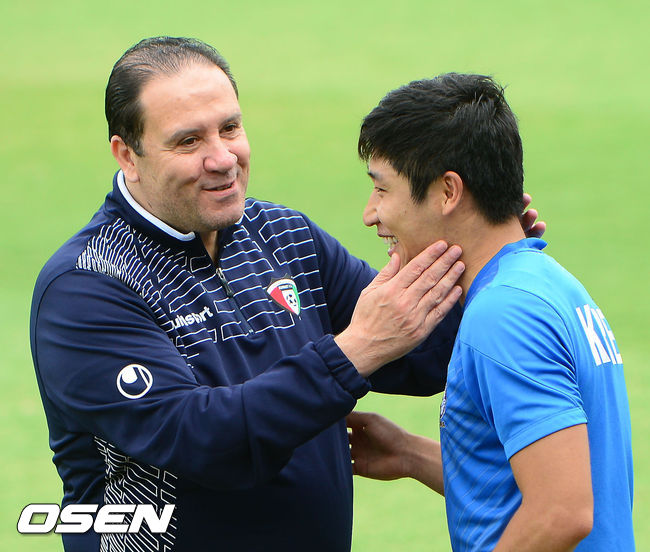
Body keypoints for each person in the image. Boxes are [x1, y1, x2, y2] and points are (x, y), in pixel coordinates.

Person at [29, 36, 471, 552]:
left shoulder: (284, 236)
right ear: (128, 155)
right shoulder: (87, 287)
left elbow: (423, 355)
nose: (222, 159)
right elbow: (208, 444)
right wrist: (356, 349)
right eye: (188, 141)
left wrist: (489, 261)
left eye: (230, 129)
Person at [347, 73, 634, 551]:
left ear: (448, 192)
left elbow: (562, 510)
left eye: (382, 189)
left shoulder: (504, 314)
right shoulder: (550, 283)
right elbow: (536, 477)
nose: (370, 213)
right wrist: (409, 454)